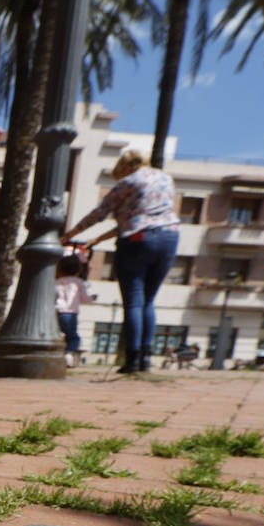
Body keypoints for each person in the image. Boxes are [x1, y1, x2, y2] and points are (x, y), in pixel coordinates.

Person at [63, 149, 180, 374]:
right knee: (148, 300)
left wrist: (69, 235)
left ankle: (132, 359)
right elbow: (135, 220)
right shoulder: (166, 179)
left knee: (134, 301)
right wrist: (97, 239)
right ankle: (146, 359)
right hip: (170, 236)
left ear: (127, 166)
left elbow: (100, 213)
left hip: (138, 240)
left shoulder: (128, 181)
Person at [55, 254, 95, 367]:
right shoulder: (78, 282)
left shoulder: (56, 282)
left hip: (56, 312)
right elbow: (85, 299)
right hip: (70, 313)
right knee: (72, 337)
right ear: (79, 270)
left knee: (57, 334)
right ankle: (69, 354)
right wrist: (92, 298)